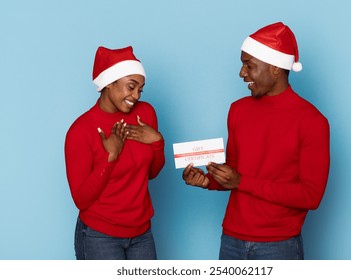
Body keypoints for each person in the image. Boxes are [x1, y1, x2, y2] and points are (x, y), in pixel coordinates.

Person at [182, 22, 330, 260]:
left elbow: (311, 196)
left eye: (249, 65)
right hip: (231, 239)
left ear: (274, 67)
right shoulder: (238, 110)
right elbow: (234, 173)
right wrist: (208, 181)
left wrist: (241, 181)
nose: (242, 73)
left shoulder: (312, 121)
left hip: (279, 245)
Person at [65, 46, 165, 260]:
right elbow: (81, 200)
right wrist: (110, 159)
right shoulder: (81, 131)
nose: (136, 95)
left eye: (140, 89)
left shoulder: (146, 113)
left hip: (141, 233)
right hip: (99, 235)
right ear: (109, 83)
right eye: (131, 87)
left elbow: (151, 173)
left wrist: (157, 142)